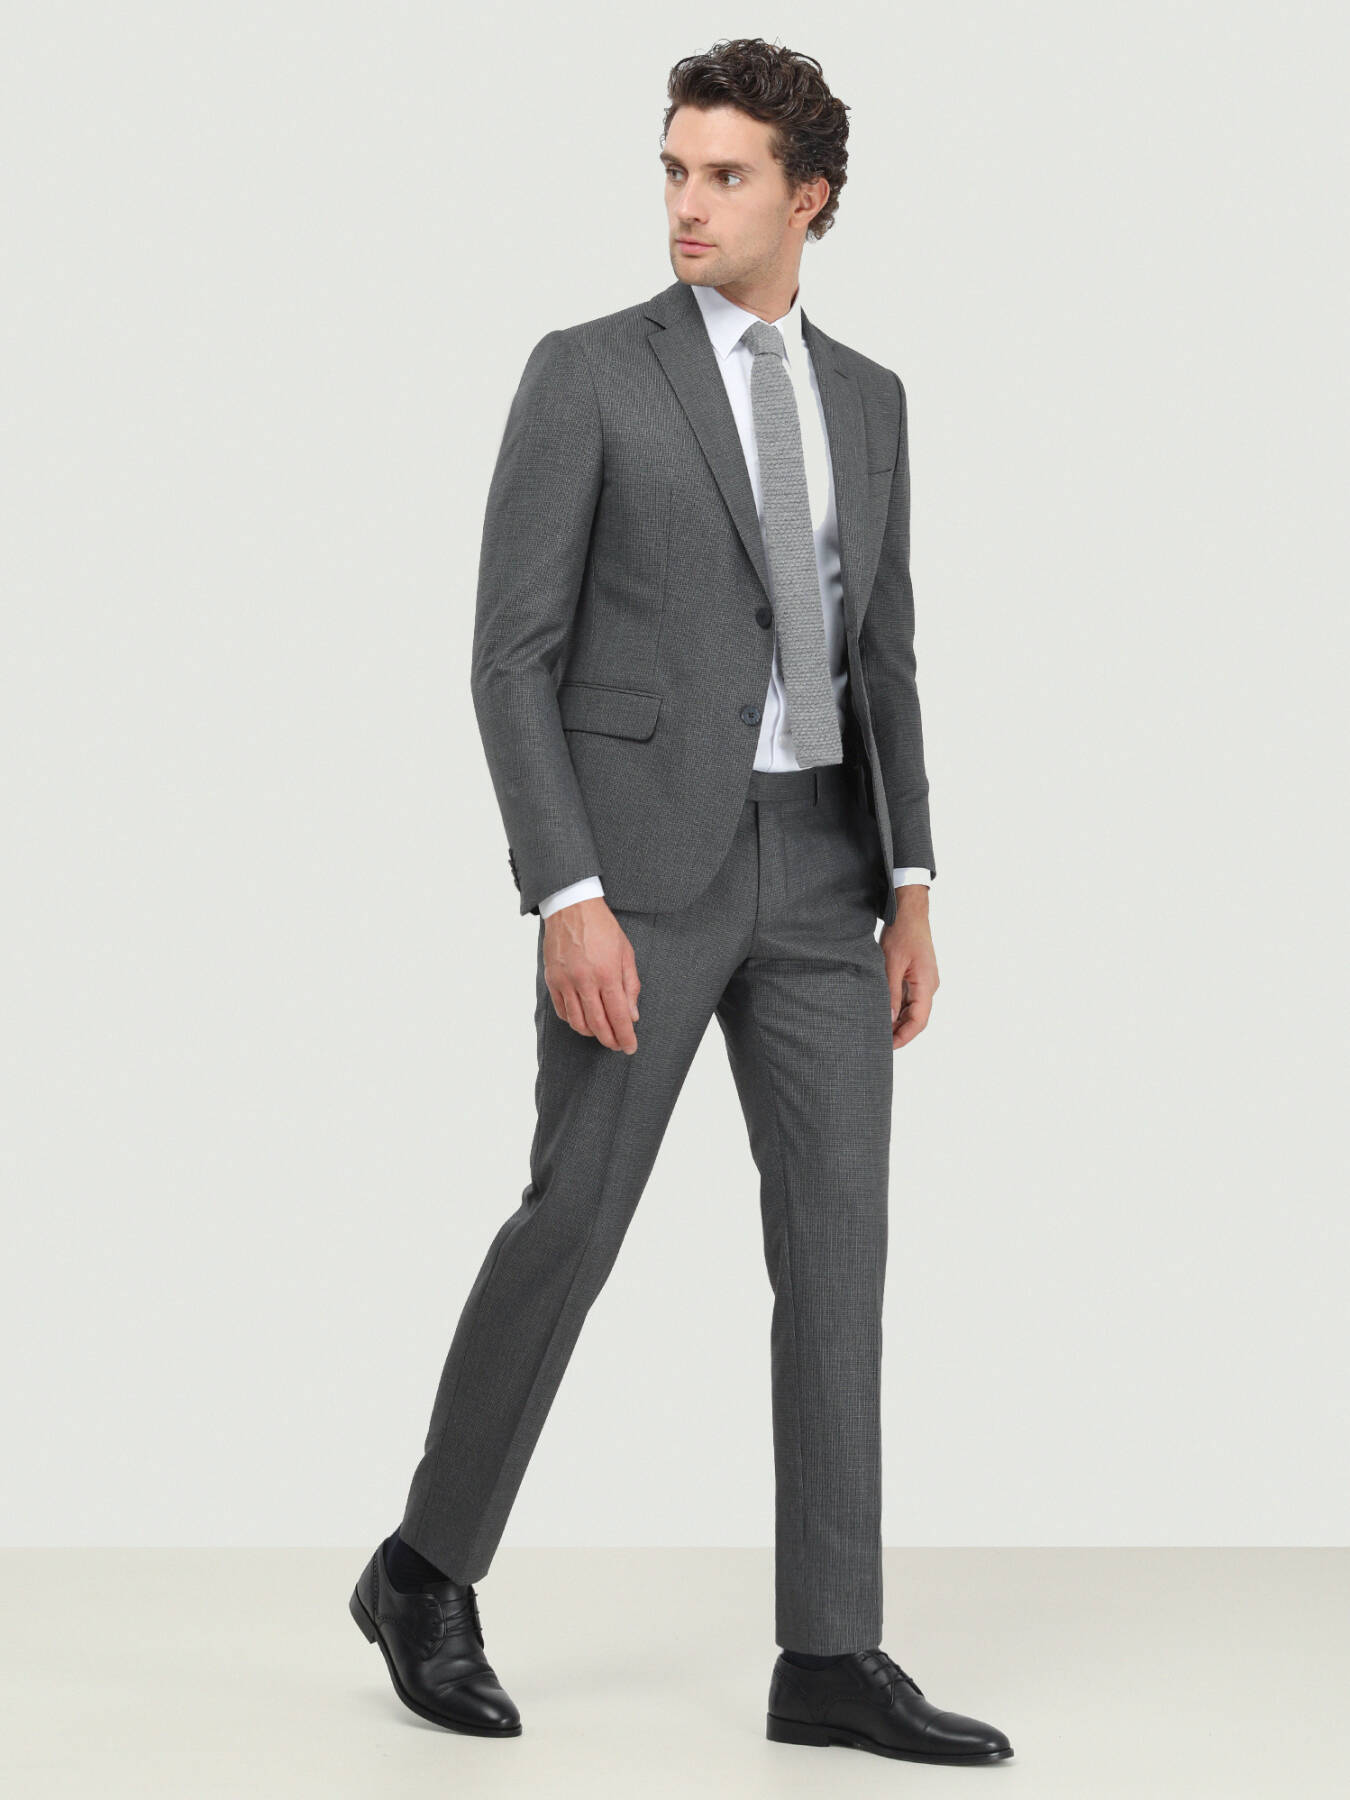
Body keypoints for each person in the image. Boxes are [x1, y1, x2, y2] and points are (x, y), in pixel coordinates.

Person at [349, 36, 1013, 1766]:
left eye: (724, 175)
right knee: (573, 1219)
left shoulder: (869, 398)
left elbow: (883, 656)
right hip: (636, 875)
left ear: (810, 197)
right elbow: (510, 656)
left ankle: (830, 1653)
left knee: (838, 1255)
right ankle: (422, 1569)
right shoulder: (588, 373)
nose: (686, 205)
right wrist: (563, 892)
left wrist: (913, 882)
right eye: (671, 169)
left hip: (825, 871)